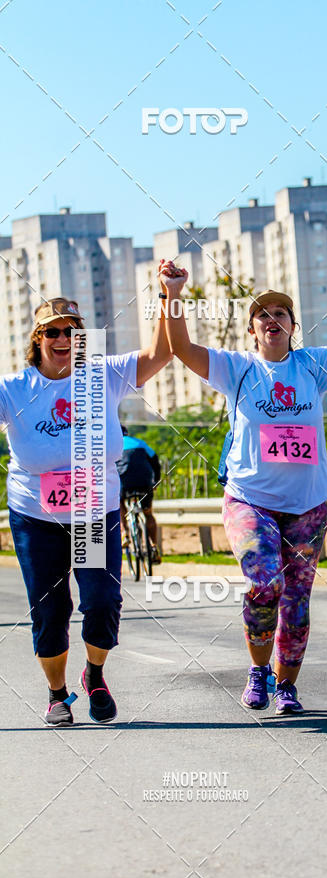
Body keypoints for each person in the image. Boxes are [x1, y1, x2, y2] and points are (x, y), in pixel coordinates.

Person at [163, 258, 327, 715]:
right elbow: (181, 348)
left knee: (297, 599)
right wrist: (174, 294)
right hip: (250, 500)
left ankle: (286, 686)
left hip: (307, 506)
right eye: (263, 315)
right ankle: (258, 672)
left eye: (280, 313)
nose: (271, 319)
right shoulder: (235, 368)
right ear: (252, 330)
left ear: (292, 326)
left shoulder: (313, 366)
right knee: (265, 584)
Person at [1, 269, 181, 726]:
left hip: (94, 512)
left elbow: (163, 351)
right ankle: (56, 693)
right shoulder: (14, 389)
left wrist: (170, 294)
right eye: (54, 331)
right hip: (35, 515)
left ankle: (95, 673)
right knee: (50, 606)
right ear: (38, 339)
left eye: (74, 330)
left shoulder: (105, 374)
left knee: (101, 600)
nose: (65, 338)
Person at [117, 425, 162, 564]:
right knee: (148, 513)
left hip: (123, 482)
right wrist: (156, 481)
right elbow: (155, 461)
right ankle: (154, 546)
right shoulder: (140, 443)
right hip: (145, 481)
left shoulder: (112, 446)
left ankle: (124, 533)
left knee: (118, 502)